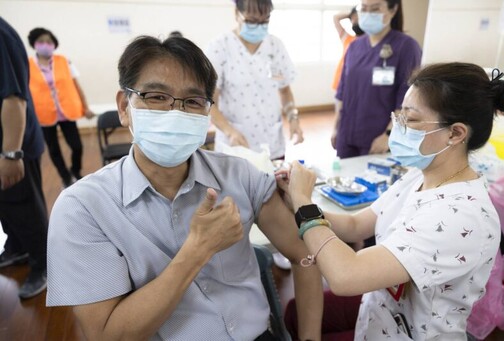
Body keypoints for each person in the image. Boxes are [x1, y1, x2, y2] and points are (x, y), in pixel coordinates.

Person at [46, 35, 323, 340]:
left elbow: (304, 255)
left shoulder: (240, 176)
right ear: (125, 107)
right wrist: (197, 251)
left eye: (193, 101)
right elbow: (107, 336)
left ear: (207, 113)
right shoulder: (82, 209)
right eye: (156, 96)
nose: (175, 113)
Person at [278, 62, 504, 340]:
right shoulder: (421, 175)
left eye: (410, 120)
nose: (398, 128)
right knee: (293, 313)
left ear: (456, 133)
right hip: (378, 314)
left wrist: (304, 204)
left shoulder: (462, 217)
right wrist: (296, 199)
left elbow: (345, 275)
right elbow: (354, 224)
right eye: (400, 116)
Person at [205, 0, 304, 161]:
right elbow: (209, 102)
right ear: (236, 13)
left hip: (272, 145)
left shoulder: (275, 46)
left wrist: (293, 118)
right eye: (251, 20)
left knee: (273, 185)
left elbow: (285, 90)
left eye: (264, 20)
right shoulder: (220, 47)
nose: (258, 26)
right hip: (236, 147)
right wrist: (230, 131)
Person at [332, 0, 421, 158]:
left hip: (379, 137)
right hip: (348, 133)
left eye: (375, 9)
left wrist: (389, 134)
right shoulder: (354, 47)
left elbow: (407, 99)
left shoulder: (406, 47)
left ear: (393, 10)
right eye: (364, 9)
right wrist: (336, 127)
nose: (368, 14)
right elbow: (342, 91)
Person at [0, 17, 49, 299]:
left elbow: (13, 99)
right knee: (6, 204)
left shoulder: (1, 36)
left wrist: (10, 153)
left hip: (13, 146)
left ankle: (44, 265)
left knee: (24, 207)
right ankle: (16, 247)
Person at [27, 27, 94, 188]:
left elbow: (77, 85)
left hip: (66, 111)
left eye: (49, 41)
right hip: (43, 114)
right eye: (41, 41)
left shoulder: (64, 61)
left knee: (77, 146)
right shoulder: (28, 64)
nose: (45, 44)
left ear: (54, 44)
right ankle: (65, 177)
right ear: (34, 44)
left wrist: (86, 107)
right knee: (53, 149)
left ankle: (75, 171)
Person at [331, 6, 364, 91]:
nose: (355, 20)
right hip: (341, 81)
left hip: (357, 83)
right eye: (353, 19)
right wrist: (351, 14)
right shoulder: (347, 38)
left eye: (358, 17)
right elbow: (336, 17)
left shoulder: (370, 41)